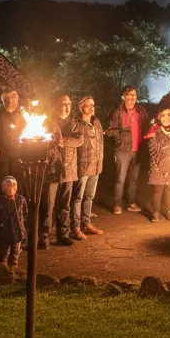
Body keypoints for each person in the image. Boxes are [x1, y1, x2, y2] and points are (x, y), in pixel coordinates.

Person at [41, 94, 83, 248]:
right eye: (62, 104)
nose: (65, 107)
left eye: (68, 104)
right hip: (52, 169)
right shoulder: (47, 121)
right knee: (48, 205)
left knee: (65, 204)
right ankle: (44, 236)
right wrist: (56, 143)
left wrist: (63, 142)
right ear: (55, 105)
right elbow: (45, 142)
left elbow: (79, 139)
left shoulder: (74, 122)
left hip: (69, 169)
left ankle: (63, 234)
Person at [106, 86, 148, 214]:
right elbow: (109, 130)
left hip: (137, 150)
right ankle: (117, 204)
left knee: (133, 179)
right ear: (124, 97)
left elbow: (146, 126)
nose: (131, 98)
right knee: (120, 178)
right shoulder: (117, 111)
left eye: (133, 95)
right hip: (122, 150)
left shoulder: (140, 111)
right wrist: (119, 139)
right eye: (128, 95)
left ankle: (131, 203)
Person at [71, 95, 105, 237]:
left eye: (93, 105)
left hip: (96, 165)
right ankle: (75, 226)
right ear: (80, 107)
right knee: (78, 197)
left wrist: (101, 160)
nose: (91, 108)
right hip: (83, 165)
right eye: (87, 105)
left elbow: (101, 142)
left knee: (89, 196)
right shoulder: (76, 123)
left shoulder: (96, 122)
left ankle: (86, 223)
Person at [144, 106, 170, 222]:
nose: (166, 118)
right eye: (163, 115)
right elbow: (152, 150)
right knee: (158, 189)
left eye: (169, 115)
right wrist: (162, 168)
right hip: (158, 166)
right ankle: (156, 212)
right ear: (159, 117)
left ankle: (169, 211)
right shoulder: (154, 132)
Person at [0, 175, 27, 267]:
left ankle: (12, 271)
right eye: (8, 185)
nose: (11, 188)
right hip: (4, 233)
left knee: (15, 254)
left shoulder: (20, 200)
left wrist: (23, 225)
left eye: (13, 185)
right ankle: (1, 270)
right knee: (3, 253)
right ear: (3, 188)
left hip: (18, 233)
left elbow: (25, 212)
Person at [0, 89, 26, 193]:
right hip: (2, 156)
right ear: (3, 101)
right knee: (3, 183)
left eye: (14, 99)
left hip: (17, 156)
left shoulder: (21, 115)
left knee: (17, 183)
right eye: (7, 100)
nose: (11, 103)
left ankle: (17, 205)